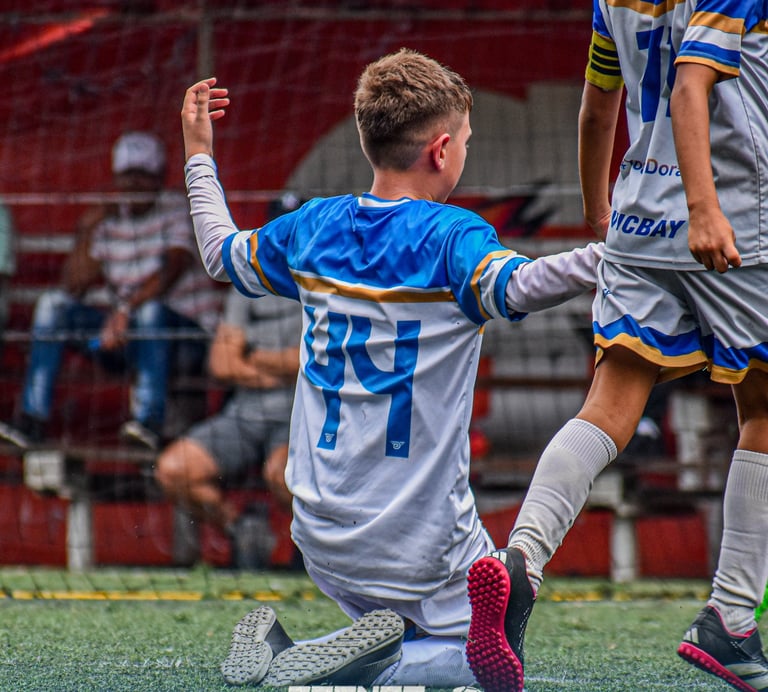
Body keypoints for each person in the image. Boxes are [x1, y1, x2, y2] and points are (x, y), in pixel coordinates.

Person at [181, 48, 604, 688]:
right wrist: (617, 257)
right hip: (419, 537)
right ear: (442, 150)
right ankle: (327, 668)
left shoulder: (312, 226)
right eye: (466, 141)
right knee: (488, 658)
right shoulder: (453, 236)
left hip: (317, 527)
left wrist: (198, 153)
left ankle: (295, 647)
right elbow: (524, 285)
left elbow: (218, 252)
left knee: (405, 630)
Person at [465, 3, 768, 692]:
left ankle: (521, 560)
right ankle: (730, 616)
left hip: (638, 224)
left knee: (607, 407)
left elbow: (597, 109)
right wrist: (703, 209)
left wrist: (600, 213)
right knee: (762, 410)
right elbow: (690, 86)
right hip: (734, 224)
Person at [0, 131, 222, 452]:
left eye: (143, 175)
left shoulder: (176, 208)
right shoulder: (110, 220)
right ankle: (31, 419)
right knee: (53, 305)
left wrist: (124, 311)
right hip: (126, 338)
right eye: (128, 175)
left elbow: (172, 268)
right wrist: (88, 228)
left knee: (149, 312)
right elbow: (73, 285)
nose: (134, 184)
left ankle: (148, 422)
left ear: (160, 177)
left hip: (185, 338)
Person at [154, 269, 301, 568]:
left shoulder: (319, 283)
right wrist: (282, 368)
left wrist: (253, 356)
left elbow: (311, 361)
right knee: (172, 470)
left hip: (298, 417)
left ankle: (309, 549)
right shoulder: (248, 287)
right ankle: (242, 528)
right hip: (242, 416)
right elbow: (221, 364)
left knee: (282, 475)